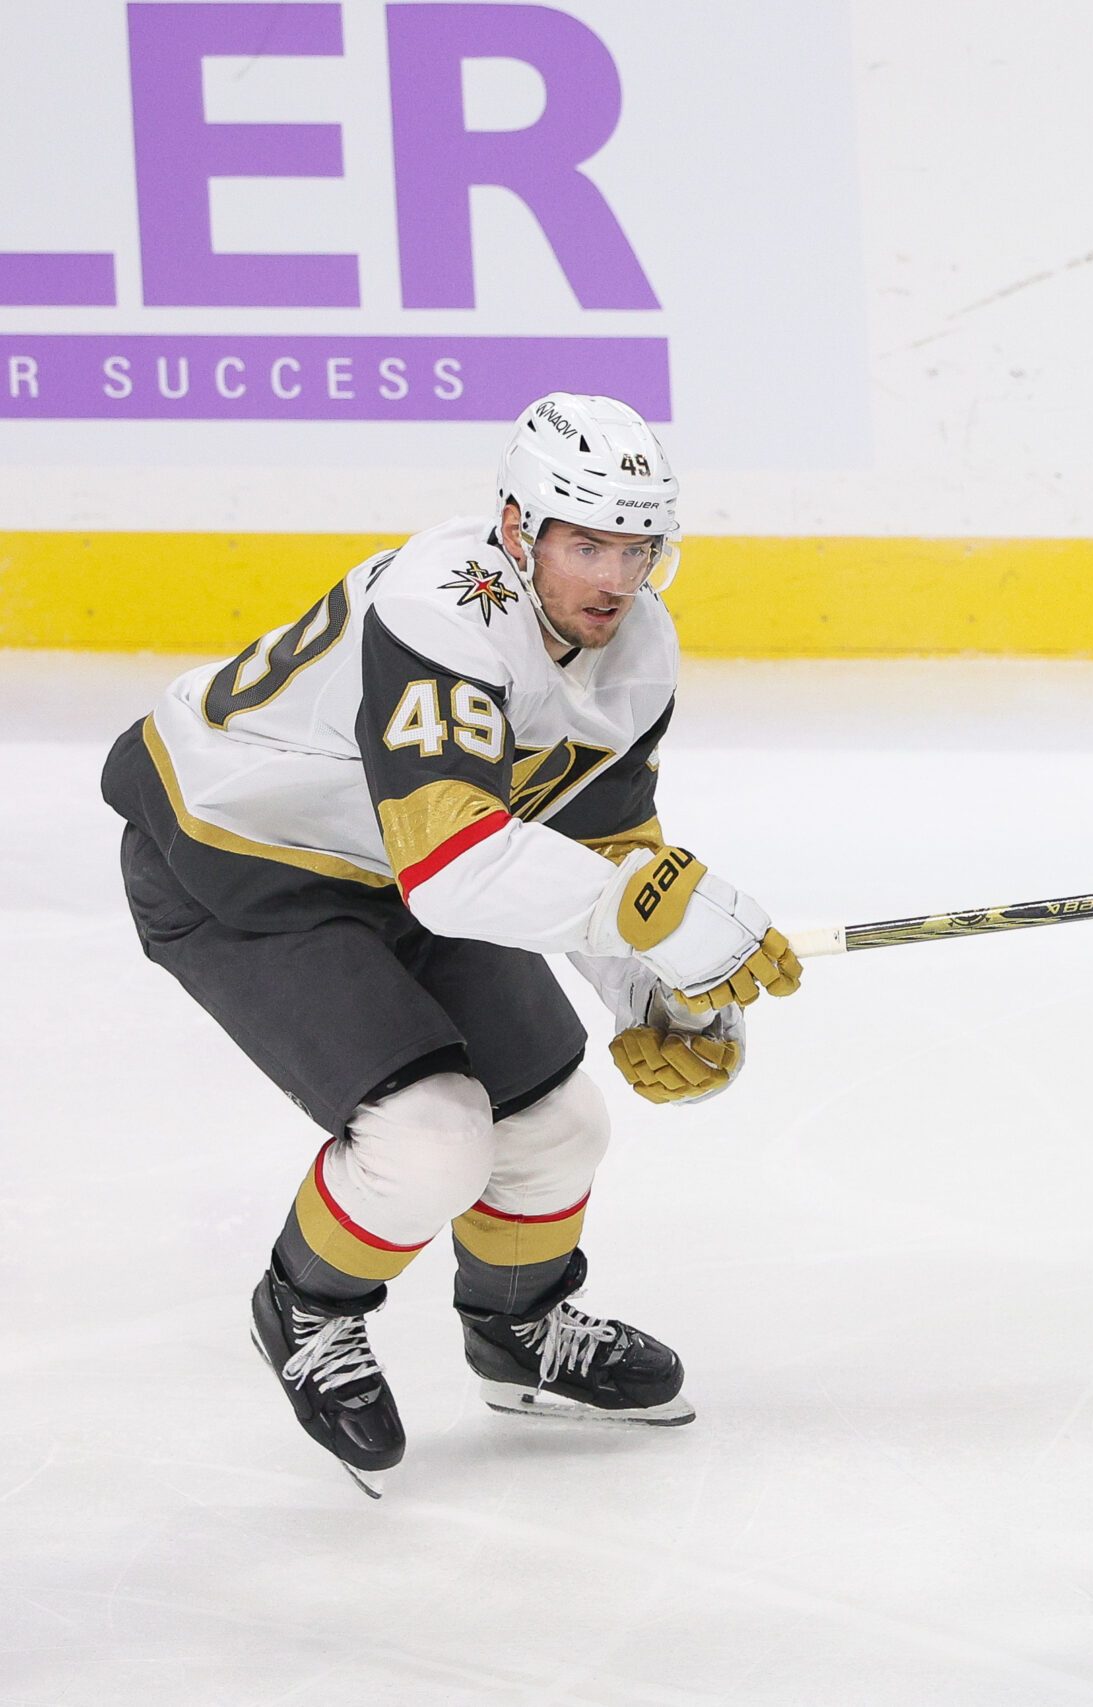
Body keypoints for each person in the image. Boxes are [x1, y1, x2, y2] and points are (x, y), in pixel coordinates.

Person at [100, 393, 803, 1496]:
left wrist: (656, 993)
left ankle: (517, 1334)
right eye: (585, 543)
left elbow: (603, 842)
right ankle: (305, 1308)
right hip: (242, 859)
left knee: (559, 1123)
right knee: (431, 1138)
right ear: (518, 531)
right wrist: (653, 921)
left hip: (406, 869)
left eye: (637, 546)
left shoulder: (638, 644)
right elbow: (457, 864)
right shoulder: (443, 607)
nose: (613, 579)